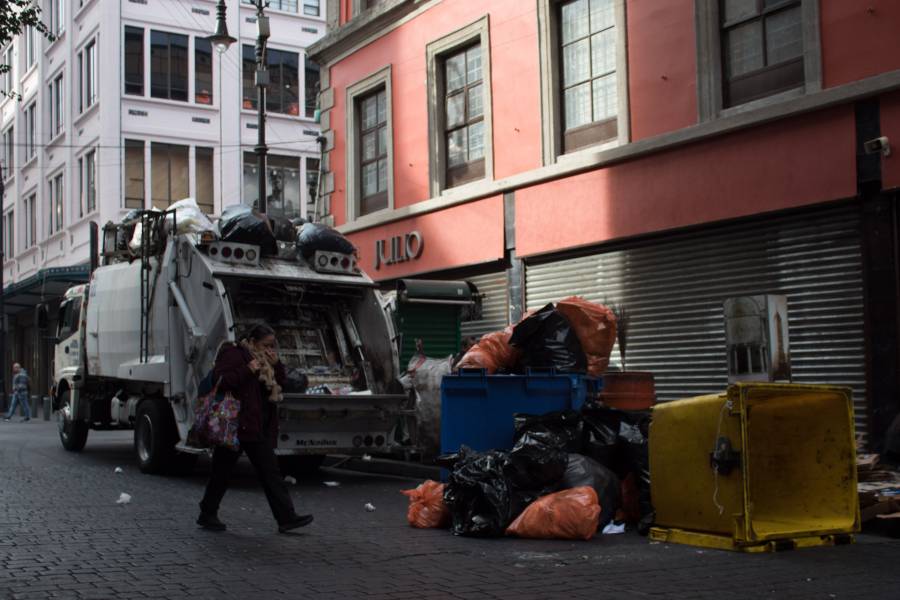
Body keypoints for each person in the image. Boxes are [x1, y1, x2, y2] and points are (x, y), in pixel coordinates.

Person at [197, 324, 313, 533]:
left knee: (269, 472)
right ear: (251, 342)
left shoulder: (268, 361)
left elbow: (283, 384)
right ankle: (207, 512)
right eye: (265, 345)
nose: (269, 350)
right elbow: (220, 381)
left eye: (272, 346)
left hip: (255, 425)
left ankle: (286, 517)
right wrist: (248, 369)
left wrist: (276, 366)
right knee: (223, 472)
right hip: (235, 424)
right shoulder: (234, 354)